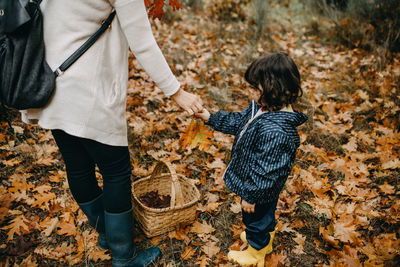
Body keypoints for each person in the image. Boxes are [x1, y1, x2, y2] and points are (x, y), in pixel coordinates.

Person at [20, 0, 203, 266]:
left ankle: (106, 232)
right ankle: (123, 256)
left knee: (78, 165)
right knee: (116, 170)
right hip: (87, 91)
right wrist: (176, 92)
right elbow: (143, 43)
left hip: (49, 84)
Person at [196, 52, 308, 267]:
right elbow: (240, 121)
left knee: (255, 219)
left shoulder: (277, 131)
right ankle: (265, 240)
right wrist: (211, 117)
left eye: (255, 89)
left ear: (274, 89)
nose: (250, 92)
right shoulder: (261, 108)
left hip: (258, 189)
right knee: (261, 217)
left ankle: (256, 253)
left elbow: (268, 170)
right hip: (255, 185)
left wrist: (251, 195)